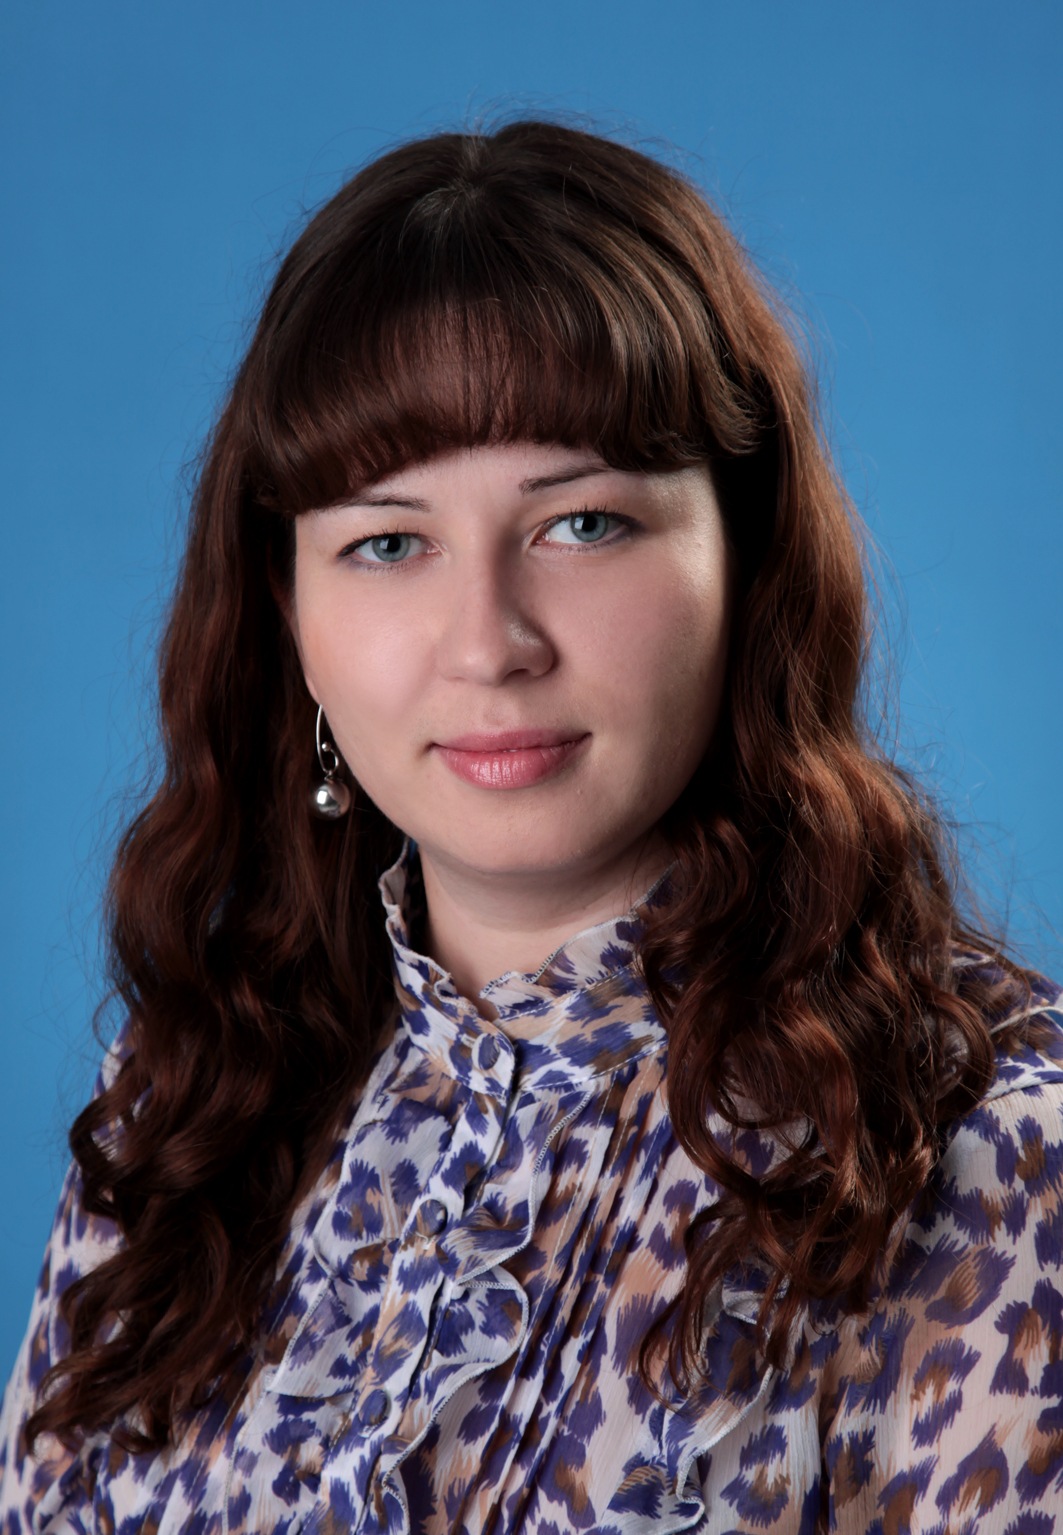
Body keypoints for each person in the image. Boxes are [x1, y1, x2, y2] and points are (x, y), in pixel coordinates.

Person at [1, 119, 1061, 1535]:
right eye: (388, 542)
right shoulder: (189, 1109)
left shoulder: (988, 1152)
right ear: (287, 611)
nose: (488, 643)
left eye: (583, 524)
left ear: (746, 557)